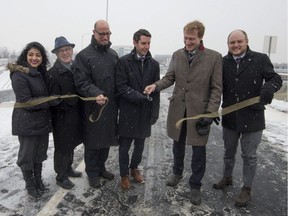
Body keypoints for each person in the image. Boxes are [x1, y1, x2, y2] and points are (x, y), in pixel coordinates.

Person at [144, 20, 222, 205]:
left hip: (199, 112)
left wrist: (210, 113)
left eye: (192, 38)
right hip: (178, 109)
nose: (188, 42)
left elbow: (216, 88)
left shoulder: (214, 57)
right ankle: (177, 172)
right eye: (186, 38)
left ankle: (195, 185)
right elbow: (170, 77)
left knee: (198, 150)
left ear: (201, 37)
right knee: (177, 144)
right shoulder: (177, 55)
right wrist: (155, 86)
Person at [213, 30, 283, 207]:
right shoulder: (222, 62)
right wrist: (210, 109)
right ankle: (227, 177)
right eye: (232, 43)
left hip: (253, 116)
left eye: (239, 42)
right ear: (227, 44)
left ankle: (246, 189)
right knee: (228, 153)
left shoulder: (260, 59)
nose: (236, 45)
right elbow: (215, 87)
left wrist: (269, 88)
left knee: (249, 156)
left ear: (246, 42)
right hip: (230, 115)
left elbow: (275, 78)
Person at [72, 20, 118, 188]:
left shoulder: (113, 54)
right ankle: (92, 173)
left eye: (108, 33)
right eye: (102, 33)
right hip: (93, 107)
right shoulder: (84, 56)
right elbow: (81, 82)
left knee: (106, 140)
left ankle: (101, 168)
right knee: (93, 142)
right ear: (94, 33)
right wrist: (95, 93)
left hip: (111, 107)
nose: (105, 36)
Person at [115, 29, 160, 190]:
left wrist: (155, 112)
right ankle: (123, 175)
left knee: (140, 146)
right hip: (128, 112)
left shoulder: (154, 64)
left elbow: (156, 90)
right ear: (134, 42)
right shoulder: (124, 62)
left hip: (145, 113)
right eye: (143, 43)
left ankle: (134, 168)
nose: (146, 46)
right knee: (124, 147)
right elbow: (121, 87)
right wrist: (141, 97)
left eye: (148, 43)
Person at [8, 42, 52, 198]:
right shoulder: (19, 75)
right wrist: (50, 101)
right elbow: (26, 101)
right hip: (27, 122)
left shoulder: (40, 74)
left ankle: (38, 180)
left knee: (39, 153)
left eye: (38, 55)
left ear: (42, 58)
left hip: (41, 121)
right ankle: (30, 184)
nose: (34, 58)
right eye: (31, 54)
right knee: (27, 156)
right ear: (25, 56)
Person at [45, 36, 83, 190]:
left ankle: (68, 169)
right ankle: (61, 176)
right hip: (61, 119)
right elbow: (52, 100)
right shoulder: (52, 73)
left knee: (71, 145)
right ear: (56, 53)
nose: (65, 53)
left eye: (67, 49)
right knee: (62, 148)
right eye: (62, 50)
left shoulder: (76, 68)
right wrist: (67, 102)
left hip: (75, 116)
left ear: (72, 50)